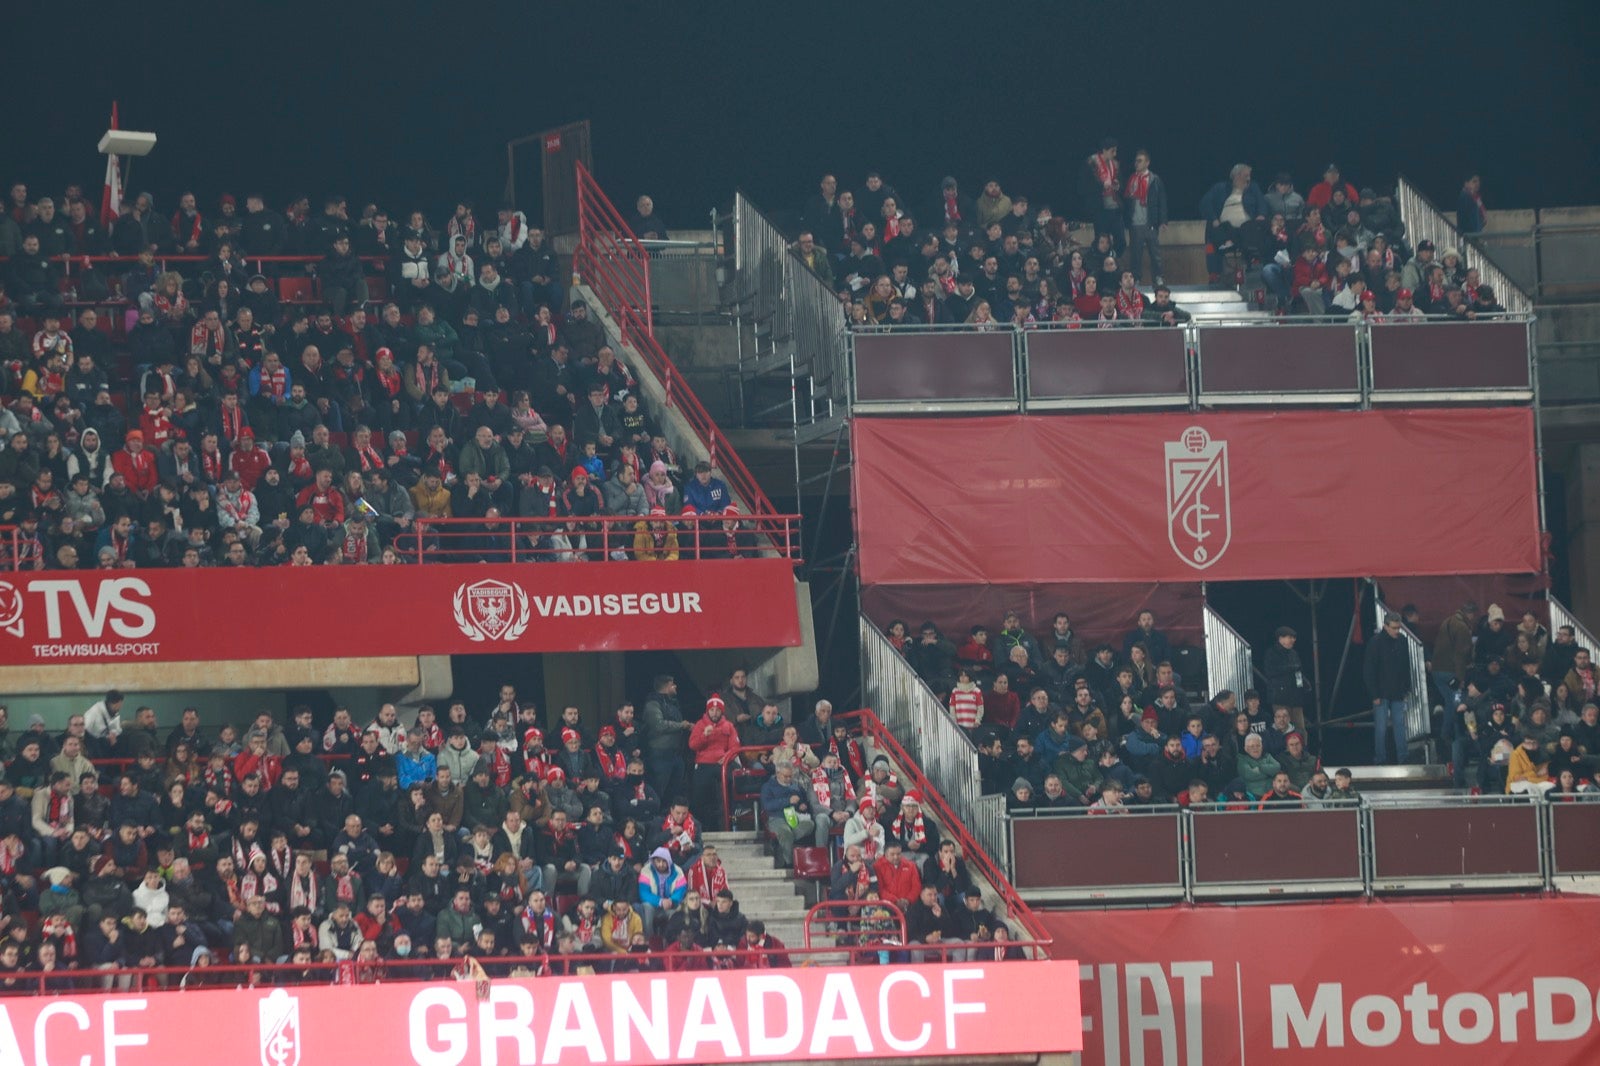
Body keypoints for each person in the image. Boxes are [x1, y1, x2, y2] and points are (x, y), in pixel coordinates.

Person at [1364, 613, 1414, 764]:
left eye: (1398, 628)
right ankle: (1381, 759)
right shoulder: (1375, 642)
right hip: (1381, 693)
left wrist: (1406, 688)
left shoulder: (1402, 641)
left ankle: (1402, 758)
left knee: (1399, 726)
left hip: (1397, 692)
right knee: (1381, 728)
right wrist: (1374, 694)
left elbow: (1406, 666)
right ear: (1385, 626)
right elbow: (1369, 669)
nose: (1397, 631)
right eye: (1394, 628)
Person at [759, 763, 817, 869]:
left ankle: (783, 845)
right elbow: (767, 806)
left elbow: (802, 801)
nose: (788, 779)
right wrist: (787, 801)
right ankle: (789, 863)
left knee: (810, 825)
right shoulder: (768, 786)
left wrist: (801, 805)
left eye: (790, 776)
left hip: (795, 816)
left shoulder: (795, 786)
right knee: (785, 832)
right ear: (777, 774)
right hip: (777, 817)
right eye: (785, 776)